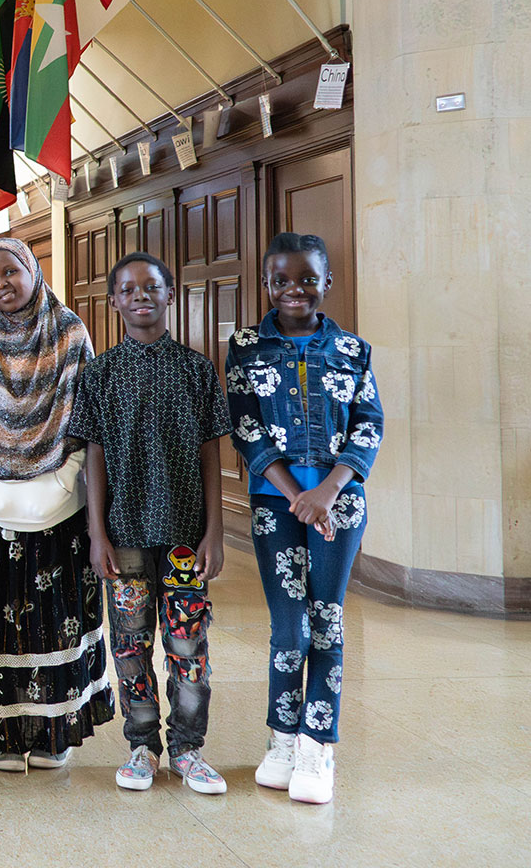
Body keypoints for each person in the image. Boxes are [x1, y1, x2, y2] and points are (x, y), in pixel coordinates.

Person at [0, 238, 114, 775]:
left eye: (10, 272)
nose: (1, 286)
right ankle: (5, 737)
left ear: (33, 270)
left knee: (53, 618)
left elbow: (87, 411)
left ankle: (52, 732)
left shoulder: (68, 332)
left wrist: (65, 478)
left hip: (61, 504)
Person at [228, 233, 382, 805]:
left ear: (327, 282)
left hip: (339, 506)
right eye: (281, 280)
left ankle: (319, 745)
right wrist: (298, 495)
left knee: (327, 618)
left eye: (307, 279)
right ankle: (283, 738)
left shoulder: (354, 350)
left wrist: (330, 490)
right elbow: (247, 428)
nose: (294, 289)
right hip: (277, 503)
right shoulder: (245, 345)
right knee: (287, 625)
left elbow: (369, 425)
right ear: (266, 284)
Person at [70, 251, 232, 796]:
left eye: (151, 286)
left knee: (188, 644)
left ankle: (189, 749)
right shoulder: (100, 373)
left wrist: (216, 529)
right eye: (129, 289)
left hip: (186, 532)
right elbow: (92, 454)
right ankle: (141, 745)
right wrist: (97, 533)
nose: (140, 295)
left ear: (169, 294)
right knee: (130, 643)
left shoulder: (197, 369)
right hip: (125, 534)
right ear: (114, 301)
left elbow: (212, 452)